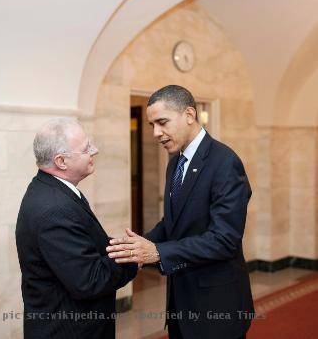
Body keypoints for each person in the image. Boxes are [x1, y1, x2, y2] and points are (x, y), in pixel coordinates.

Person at [107, 85, 254, 339]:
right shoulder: (175, 161)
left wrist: (158, 252)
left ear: (189, 114)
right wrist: (141, 245)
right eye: (152, 124)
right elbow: (173, 222)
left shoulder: (224, 162)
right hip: (181, 302)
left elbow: (224, 240)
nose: (156, 133)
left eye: (162, 122)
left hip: (216, 306)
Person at [16, 117, 137, 339]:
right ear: (61, 161)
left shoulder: (53, 190)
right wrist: (134, 257)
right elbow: (90, 281)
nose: (95, 150)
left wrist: (127, 244)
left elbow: (88, 243)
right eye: (86, 148)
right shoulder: (54, 209)